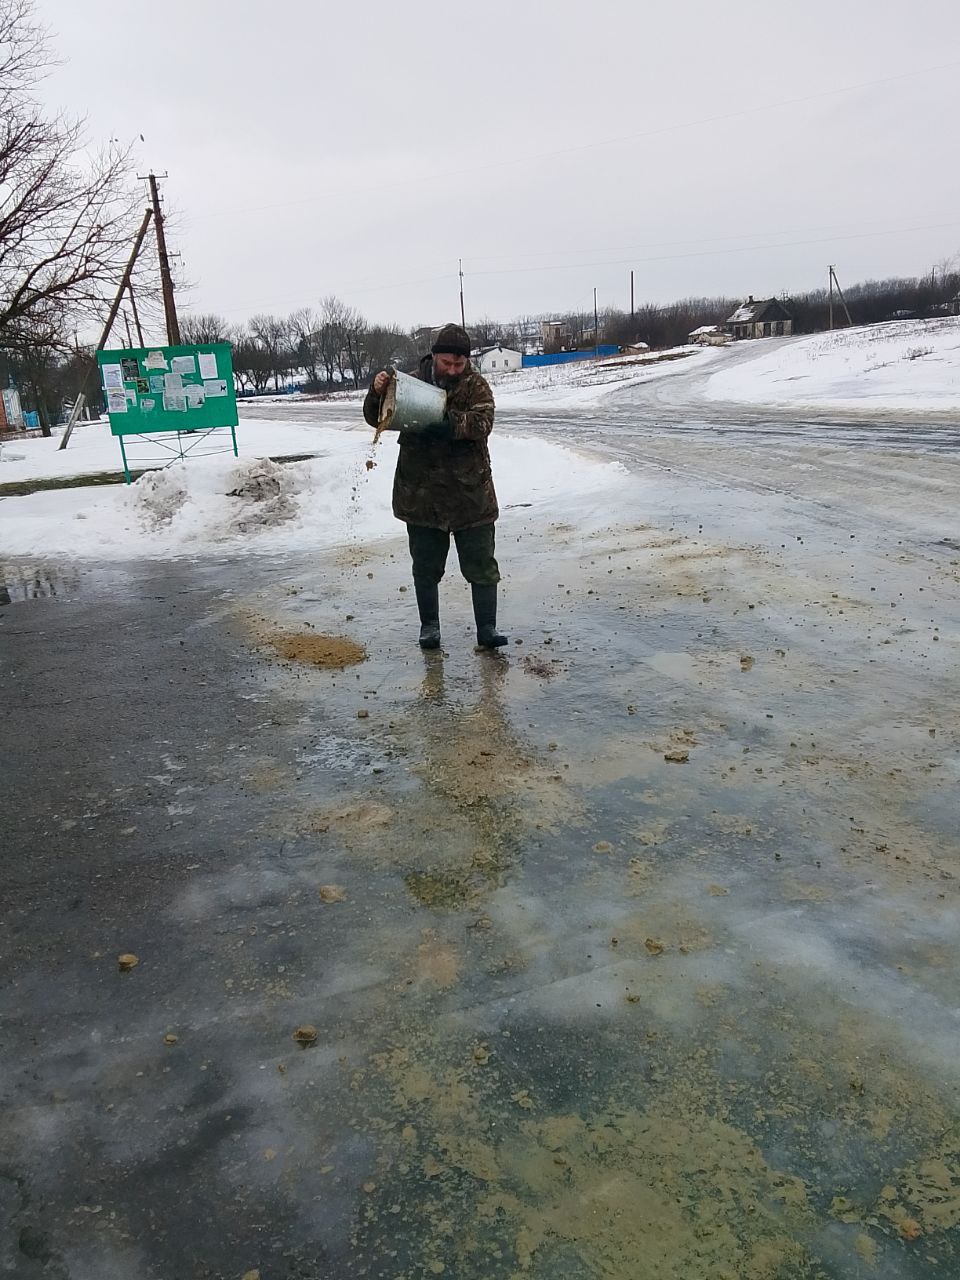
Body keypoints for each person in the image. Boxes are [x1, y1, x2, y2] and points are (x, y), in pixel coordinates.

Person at [363, 322, 508, 652]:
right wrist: (376, 390)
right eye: (447, 363)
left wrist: (448, 423)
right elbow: (376, 417)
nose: (454, 370)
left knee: (482, 565)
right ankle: (430, 627)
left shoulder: (476, 386)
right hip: (421, 494)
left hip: (471, 494)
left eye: (460, 364)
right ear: (435, 357)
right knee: (426, 567)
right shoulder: (410, 383)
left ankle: (487, 628)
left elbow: (483, 421)